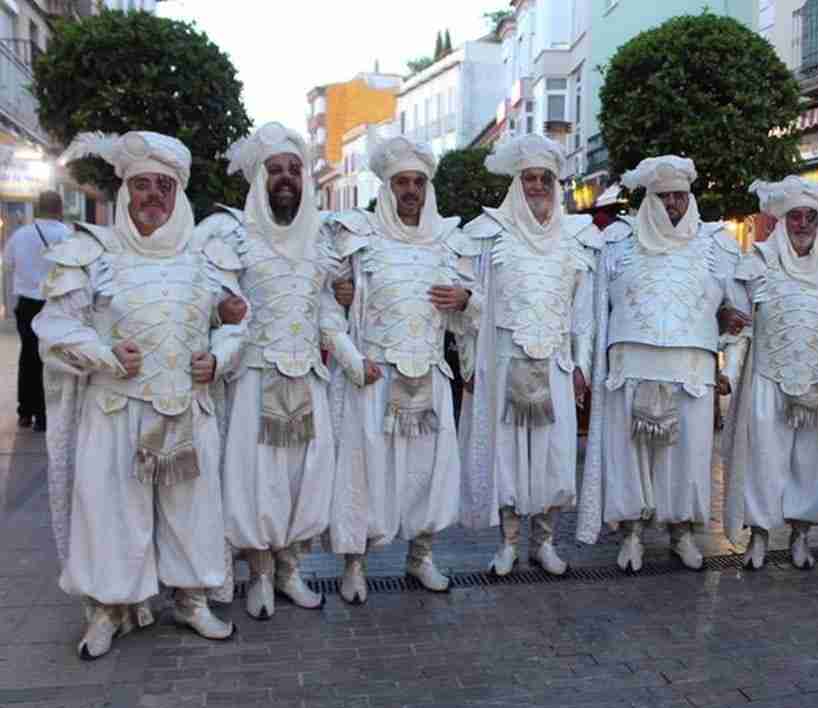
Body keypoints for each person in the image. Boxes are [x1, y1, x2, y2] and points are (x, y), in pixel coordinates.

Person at [34, 131, 245, 658]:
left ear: (178, 195)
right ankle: (108, 610)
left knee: (192, 510)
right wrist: (104, 355)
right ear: (126, 191)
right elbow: (56, 328)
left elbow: (240, 322)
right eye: (143, 185)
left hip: (186, 411)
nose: (154, 196)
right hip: (114, 412)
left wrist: (218, 356)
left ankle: (192, 600)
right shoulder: (90, 253)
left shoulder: (207, 259)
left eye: (164, 187)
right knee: (109, 512)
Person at [321, 130, 476, 601]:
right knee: (365, 473)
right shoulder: (357, 237)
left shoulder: (449, 239)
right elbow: (325, 304)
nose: (410, 191)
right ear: (386, 188)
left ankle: (421, 556)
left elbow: (478, 309)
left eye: (418, 182)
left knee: (425, 474)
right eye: (401, 183)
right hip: (373, 377)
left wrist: (466, 300)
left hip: (428, 375)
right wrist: (350, 354)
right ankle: (355, 564)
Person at [576, 155, 745, 572]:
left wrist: (730, 357)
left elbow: (735, 312)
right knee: (628, 453)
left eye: (679, 196)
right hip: (629, 364)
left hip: (691, 368)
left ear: (690, 197)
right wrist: (585, 362)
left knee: (688, 455)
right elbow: (593, 307)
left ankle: (682, 532)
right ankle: (631, 533)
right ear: (648, 199)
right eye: (663, 196)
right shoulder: (616, 240)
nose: (672, 204)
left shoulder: (717, 242)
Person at [192, 122, 329, 619]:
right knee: (257, 482)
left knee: (303, 480)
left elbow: (327, 309)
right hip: (253, 379)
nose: (287, 178)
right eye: (276, 169)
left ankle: (291, 568)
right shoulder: (229, 233)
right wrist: (218, 313)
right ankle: (261, 575)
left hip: (308, 380)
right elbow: (200, 295)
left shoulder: (321, 236)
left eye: (295, 169)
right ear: (259, 178)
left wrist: (353, 358)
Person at [458, 134, 600, 577]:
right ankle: (508, 542)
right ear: (516, 184)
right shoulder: (487, 236)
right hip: (504, 363)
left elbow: (585, 310)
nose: (537, 186)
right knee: (509, 457)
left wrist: (582, 366)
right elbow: (469, 299)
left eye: (544, 179)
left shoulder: (576, 238)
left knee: (554, 456)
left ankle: (545, 542)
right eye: (529, 179)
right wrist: (470, 363)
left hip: (555, 366)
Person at [722, 177, 818, 570]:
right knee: (764, 463)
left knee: (812, 466)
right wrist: (729, 372)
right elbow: (742, 326)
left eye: (809, 217)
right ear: (782, 222)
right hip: (768, 379)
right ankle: (760, 537)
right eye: (795, 217)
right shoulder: (760, 261)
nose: (802, 224)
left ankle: (801, 536)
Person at [5, 191, 70, 431]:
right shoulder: (67, 236)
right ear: (59, 208)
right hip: (56, 304)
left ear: (37, 208)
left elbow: (8, 264)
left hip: (27, 305)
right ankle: (46, 416)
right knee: (52, 359)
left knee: (29, 357)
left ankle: (25, 412)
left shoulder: (20, 235)